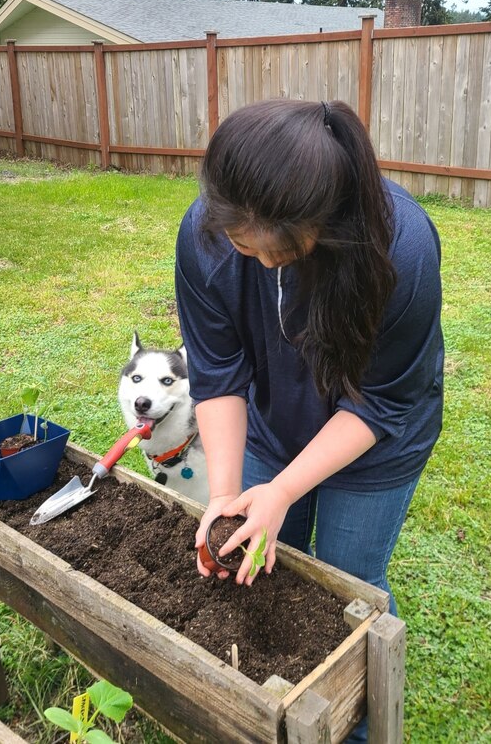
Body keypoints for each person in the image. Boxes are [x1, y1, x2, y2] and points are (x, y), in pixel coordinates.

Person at [175, 99, 443, 740]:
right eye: (247, 248)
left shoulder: (400, 250)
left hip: (375, 441)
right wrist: (226, 495)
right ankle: (282, 706)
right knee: (272, 559)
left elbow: (379, 401)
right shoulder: (205, 238)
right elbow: (217, 372)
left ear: (323, 220)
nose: (263, 266)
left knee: (350, 578)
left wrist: (288, 487)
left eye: (282, 254)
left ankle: (362, 721)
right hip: (272, 417)